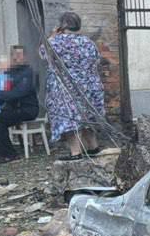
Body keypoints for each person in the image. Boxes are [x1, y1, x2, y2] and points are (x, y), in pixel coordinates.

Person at [43, 12, 104, 158]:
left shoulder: (57, 42)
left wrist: (52, 35)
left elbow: (43, 53)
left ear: (62, 25)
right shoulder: (88, 42)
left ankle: (76, 152)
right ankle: (93, 147)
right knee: (88, 117)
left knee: (70, 118)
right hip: (90, 86)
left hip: (67, 87)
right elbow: (97, 60)